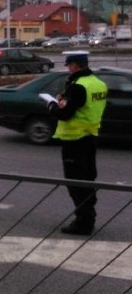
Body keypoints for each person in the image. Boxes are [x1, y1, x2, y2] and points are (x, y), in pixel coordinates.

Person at [47, 51, 107, 235]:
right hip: (91, 136)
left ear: (75, 65)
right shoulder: (98, 83)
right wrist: (63, 100)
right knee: (88, 178)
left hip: (74, 140)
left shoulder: (78, 86)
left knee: (76, 183)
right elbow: (84, 106)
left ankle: (83, 222)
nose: (68, 69)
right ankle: (89, 216)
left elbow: (65, 113)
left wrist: (51, 105)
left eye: (69, 65)